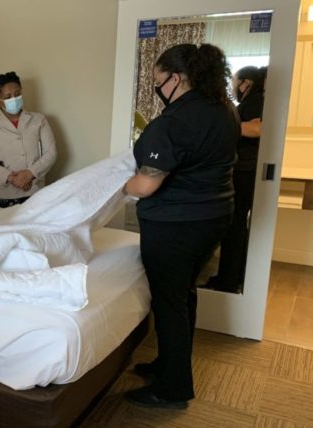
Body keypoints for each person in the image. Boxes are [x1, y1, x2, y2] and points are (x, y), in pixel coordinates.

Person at [123, 44, 239, 409]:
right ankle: (167, 363)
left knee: (169, 302)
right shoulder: (224, 110)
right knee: (185, 293)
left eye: (159, 81)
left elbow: (144, 185)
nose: (158, 89)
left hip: (176, 226)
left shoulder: (174, 122)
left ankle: (172, 388)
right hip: (214, 217)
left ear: (176, 78)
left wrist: (120, 185)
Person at [206, 65, 267, 293]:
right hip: (243, 170)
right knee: (236, 228)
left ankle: (228, 282)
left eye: (235, 82)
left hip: (244, 173)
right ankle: (231, 277)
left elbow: (258, 128)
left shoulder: (256, 100)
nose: (233, 87)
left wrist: (223, 126)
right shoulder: (250, 102)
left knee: (234, 228)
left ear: (247, 82)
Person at [0, 71, 57, 208]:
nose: (14, 99)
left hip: (35, 194)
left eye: (17, 94)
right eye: (8, 96)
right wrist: (10, 177)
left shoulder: (38, 120)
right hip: (1, 196)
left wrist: (30, 173)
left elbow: (51, 153)